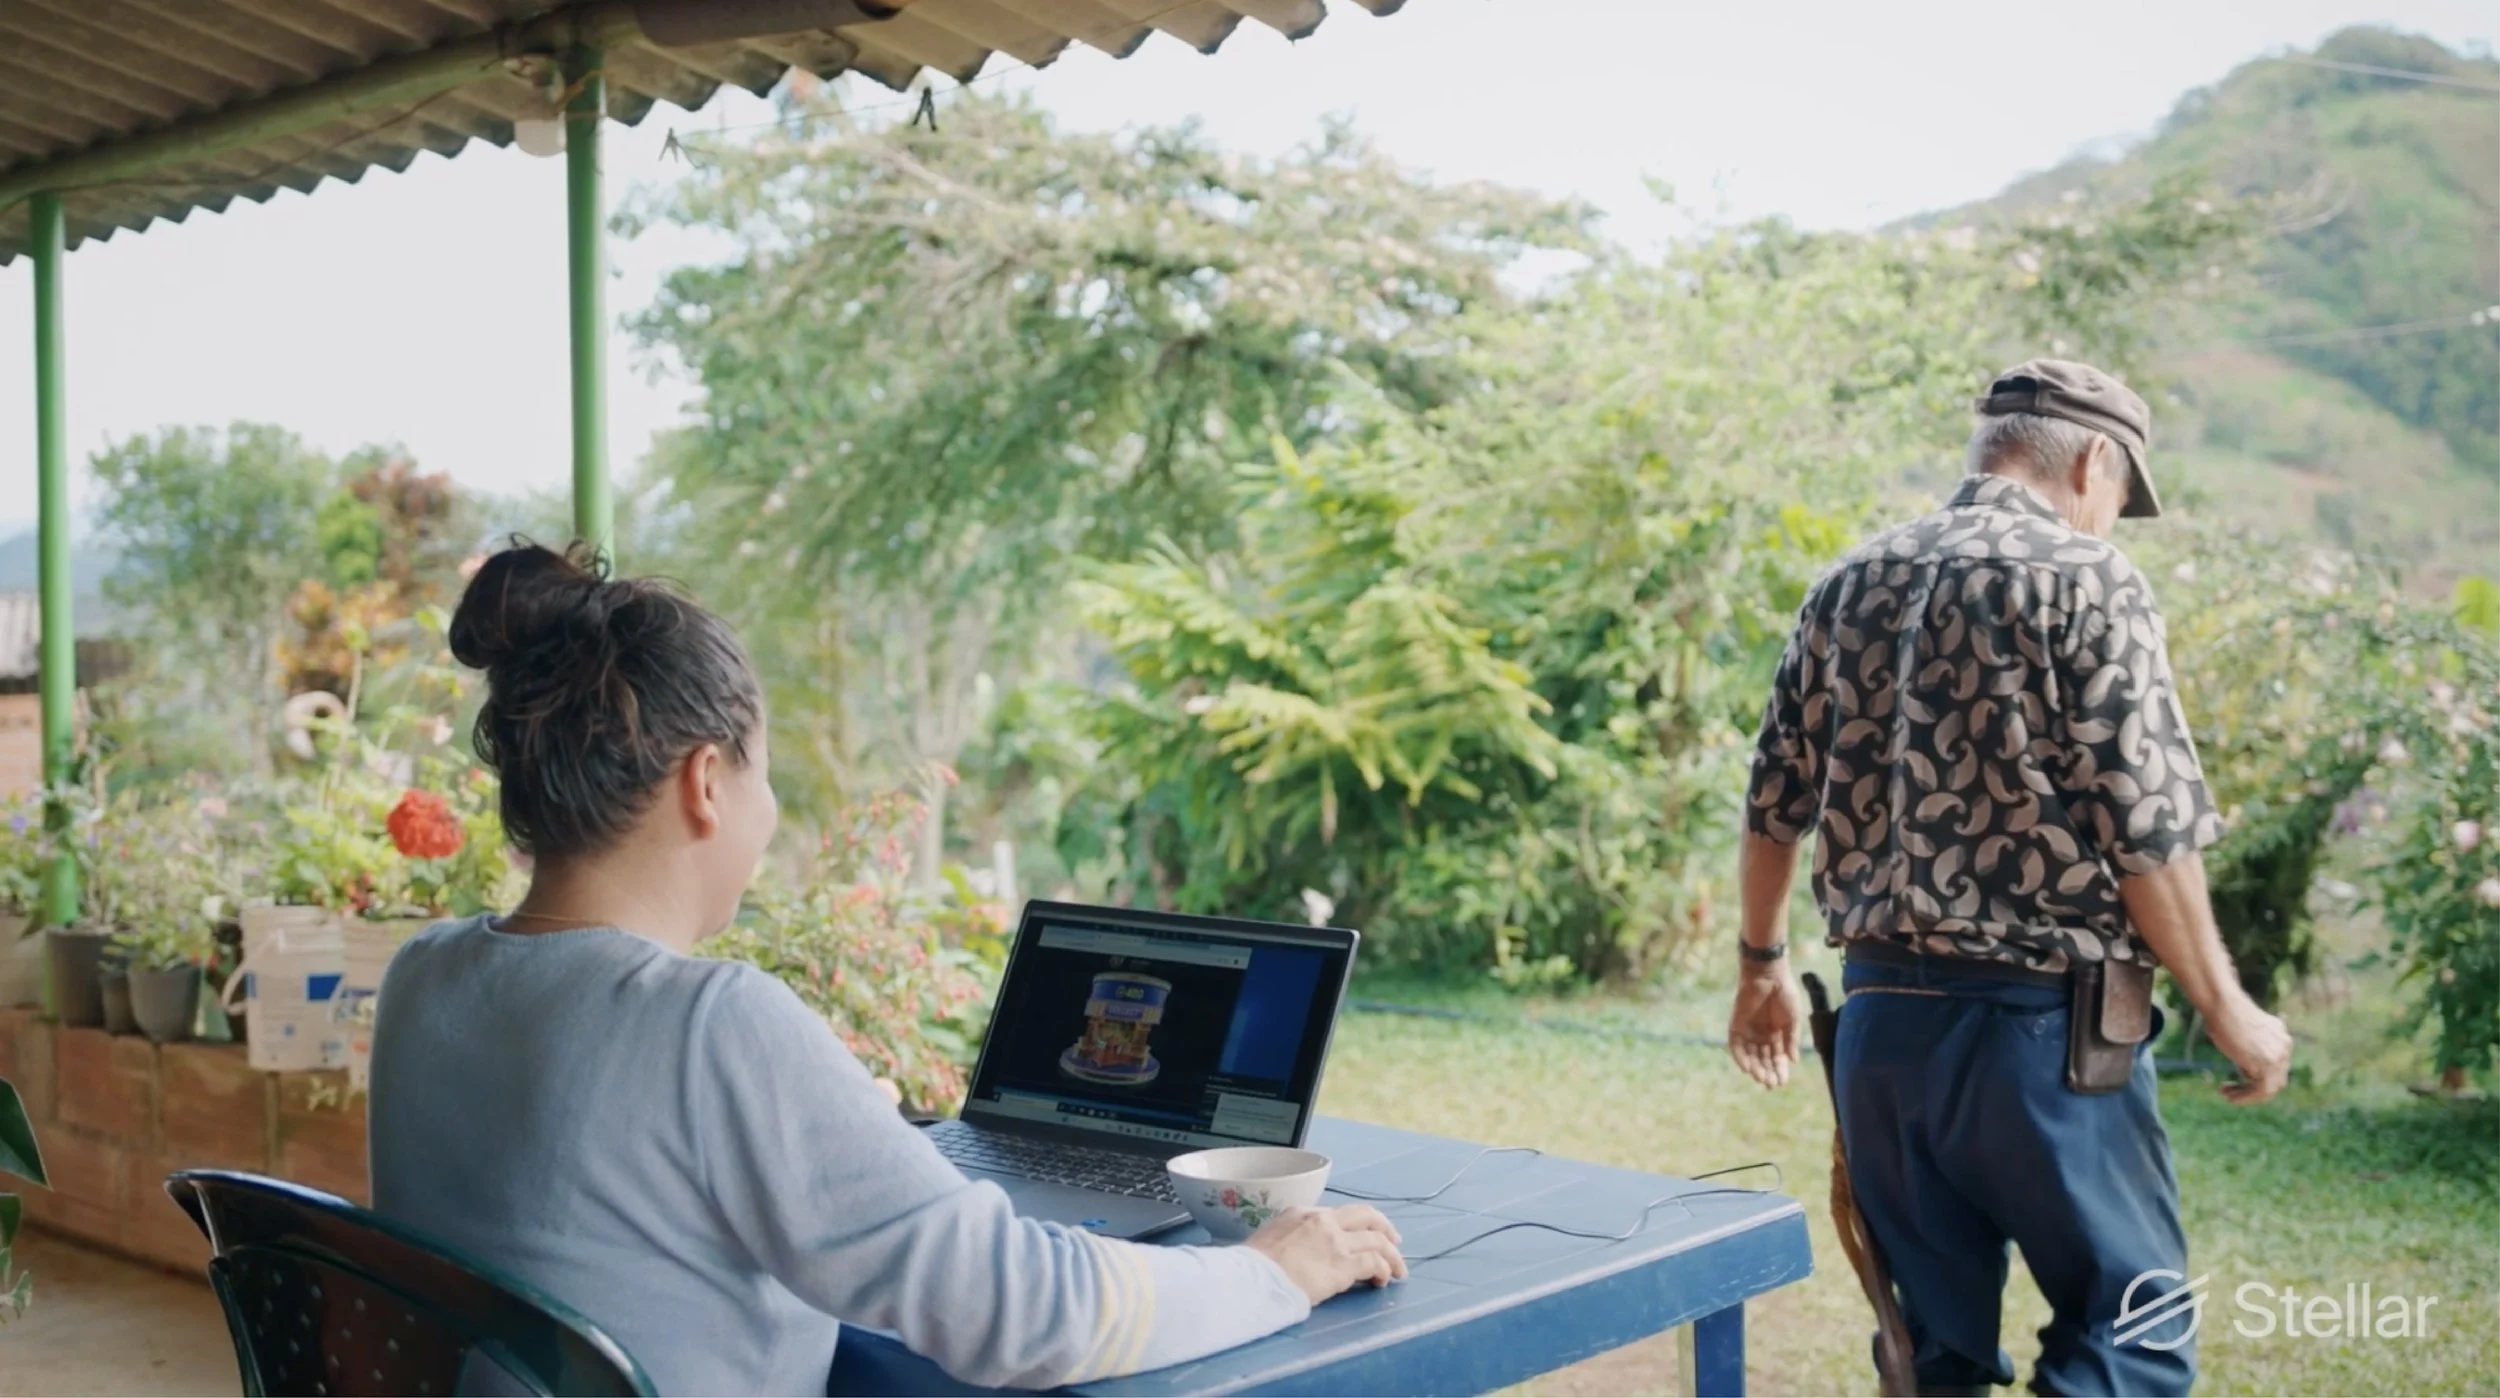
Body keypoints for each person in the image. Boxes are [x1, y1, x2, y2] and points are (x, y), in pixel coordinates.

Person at [369, 543, 1406, 1396]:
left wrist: (823, 1126)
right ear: (706, 785)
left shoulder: (424, 980)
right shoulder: (705, 1023)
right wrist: (1270, 1275)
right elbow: (1023, 1314)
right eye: (763, 773)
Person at [1723, 360, 2295, 1396]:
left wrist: (1759, 965)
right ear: (2094, 461)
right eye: (2120, 498)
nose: (2112, 521)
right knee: (2134, 1333)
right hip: (2043, 1040)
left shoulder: (1849, 580)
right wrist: (2227, 1006)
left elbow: (1772, 806)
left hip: (1881, 1037)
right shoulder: (2087, 578)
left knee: (1931, 1354)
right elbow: (2149, 831)